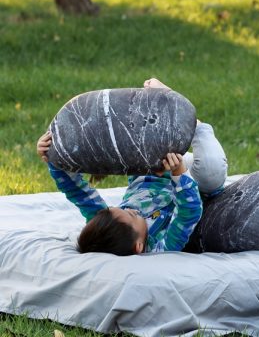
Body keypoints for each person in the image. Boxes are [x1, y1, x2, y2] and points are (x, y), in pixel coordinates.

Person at [36, 78, 228, 256]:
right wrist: (178, 174)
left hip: (153, 167)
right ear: (138, 246)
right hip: (185, 180)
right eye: (131, 214)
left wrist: (53, 156)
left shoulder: (107, 221)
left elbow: (77, 191)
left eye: (122, 208)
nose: (131, 209)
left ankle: (172, 109)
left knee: (124, 138)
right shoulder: (163, 246)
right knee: (212, 173)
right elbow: (188, 213)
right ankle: (195, 124)